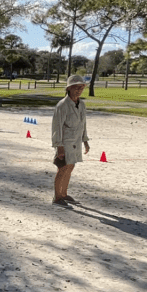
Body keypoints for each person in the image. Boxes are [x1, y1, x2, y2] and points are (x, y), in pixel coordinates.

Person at [52, 75, 90, 206]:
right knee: (63, 167)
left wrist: (85, 141)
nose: (79, 90)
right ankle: (57, 197)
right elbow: (57, 127)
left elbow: (83, 124)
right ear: (69, 88)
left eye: (81, 87)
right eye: (76, 87)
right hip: (65, 141)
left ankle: (64, 193)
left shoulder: (82, 104)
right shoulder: (62, 105)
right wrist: (59, 146)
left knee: (71, 166)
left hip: (76, 141)